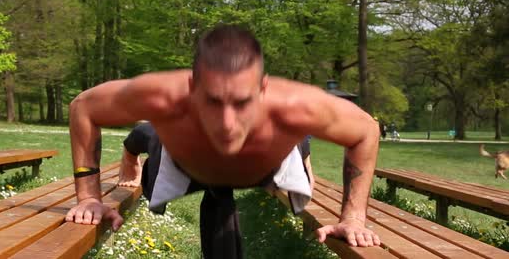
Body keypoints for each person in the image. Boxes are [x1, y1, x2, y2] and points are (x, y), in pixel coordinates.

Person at [66, 24, 381, 256]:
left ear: (263, 90)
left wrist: (353, 218)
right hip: (184, 159)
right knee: (151, 131)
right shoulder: (165, 96)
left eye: (242, 103)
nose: (228, 124)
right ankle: (132, 153)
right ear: (191, 87)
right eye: (214, 102)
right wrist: (89, 196)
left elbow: (365, 130)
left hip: (262, 163)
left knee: (291, 134)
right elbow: (83, 107)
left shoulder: (293, 107)